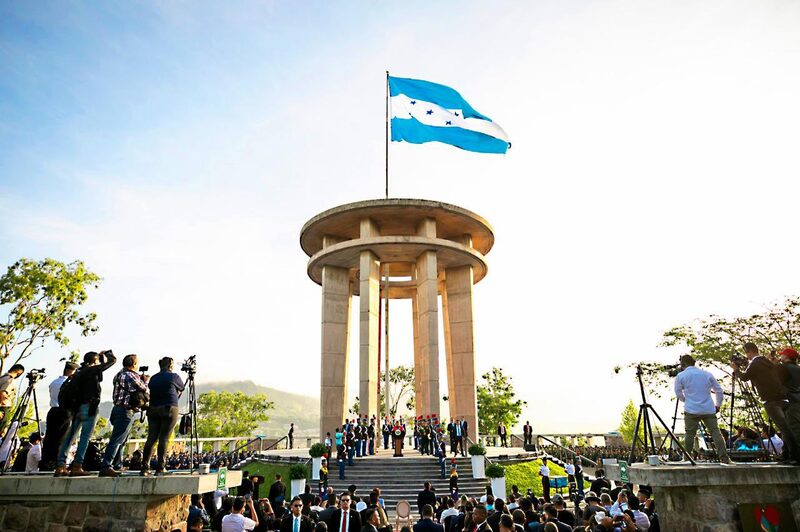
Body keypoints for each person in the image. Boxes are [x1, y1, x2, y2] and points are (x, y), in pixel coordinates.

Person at [733, 342, 799, 462]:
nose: (746, 356)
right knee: (786, 428)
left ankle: (795, 455)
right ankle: (787, 454)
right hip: (783, 398)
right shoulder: (766, 361)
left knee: (785, 428)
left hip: (771, 400)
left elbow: (744, 377)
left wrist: (736, 369)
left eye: (746, 353)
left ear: (749, 352)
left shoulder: (755, 362)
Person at [55, 350, 117, 477]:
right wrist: (107, 354)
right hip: (89, 407)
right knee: (85, 437)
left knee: (70, 436)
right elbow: (112, 361)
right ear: (94, 361)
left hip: (76, 408)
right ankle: (77, 465)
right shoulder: (91, 370)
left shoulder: (78, 372)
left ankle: (60, 466)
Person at [674, 354, 732, 464]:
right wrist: (718, 404)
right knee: (715, 432)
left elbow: (678, 393)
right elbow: (719, 390)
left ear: (683, 364)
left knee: (690, 434)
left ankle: (687, 458)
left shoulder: (681, 376)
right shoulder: (706, 374)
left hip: (691, 409)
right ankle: (724, 457)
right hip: (708, 408)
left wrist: (685, 400)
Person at [101, 353, 149, 476]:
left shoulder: (119, 374)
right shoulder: (130, 376)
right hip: (125, 411)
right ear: (134, 364)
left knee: (121, 440)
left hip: (117, 409)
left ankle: (116, 465)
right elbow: (143, 388)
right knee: (117, 440)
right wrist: (146, 381)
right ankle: (106, 466)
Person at [141, 356, 185, 475]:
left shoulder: (153, 378)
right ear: (170, 364)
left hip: (153, 409)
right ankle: (160, 467)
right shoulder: (174, 376)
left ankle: (145, 467)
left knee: (151, 438)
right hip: (169, 408)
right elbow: (182, 387)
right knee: (164, 438)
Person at [40, 361, 78, 470]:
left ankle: (46, 462)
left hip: (53, 410)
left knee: (50, 437)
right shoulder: (70, 383)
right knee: (62, 438)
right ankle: (57, 463)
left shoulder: (54, 382)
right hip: (64, 410)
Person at [780, 347, 800, 457]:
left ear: (786, 356)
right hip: (797, 400)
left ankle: (794, 455)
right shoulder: (797, 368)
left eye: (782, 354)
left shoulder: (785, 368)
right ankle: (788, 453)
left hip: (790, 401)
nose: (781, 356)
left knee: (792, 428)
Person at [0, 364, 25, 436]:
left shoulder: (2, 378)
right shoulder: (9, 380)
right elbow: (2, 393)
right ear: (19, 372)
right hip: (3, 408)